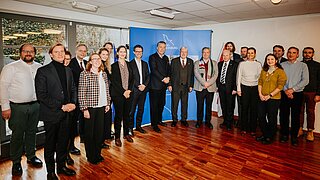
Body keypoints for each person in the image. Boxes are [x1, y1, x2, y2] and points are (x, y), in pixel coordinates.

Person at [0, 43, 43, 176]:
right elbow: (3, 87)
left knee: (32, 132)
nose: (28, 53)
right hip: (17, 107)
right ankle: (16, 162)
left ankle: (31, 156)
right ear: (20, 53)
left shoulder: (39, 67)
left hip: (35, 106)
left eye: (31, 51)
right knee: (17, 135)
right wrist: (5, 107)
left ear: (35, 53)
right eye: (25, 51)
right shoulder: (11, 67)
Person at [35, 43, 77, 179]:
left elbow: (73, 89)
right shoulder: (43, 71)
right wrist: (61, 106)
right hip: (52, 114)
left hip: (67, 114)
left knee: (64, 143)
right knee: (50, 144)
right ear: (51, 54)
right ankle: (50, 172)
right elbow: (41, 95)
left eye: (62, 51)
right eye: (56, 52)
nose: (60, 54)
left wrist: (73, 103)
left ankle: (61, 167)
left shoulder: (68, 70)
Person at [78, 53, 111, 164]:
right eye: (94, 59)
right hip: (90, 108)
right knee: (89, 134)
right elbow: (81, 92)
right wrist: (84, 109)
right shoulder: (85, 74)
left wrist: (107, 103)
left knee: (99, 133)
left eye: (98, 59)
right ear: (90, 61)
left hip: (101, 107)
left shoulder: (104, 74)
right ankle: (91, 156)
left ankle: (97, 154)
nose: (97, 61)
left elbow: (107, 90)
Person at [280, 47, 309, 146]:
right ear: (287, 54)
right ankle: (284, 135)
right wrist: (286, 90)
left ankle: (294, 137)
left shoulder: (303, 65)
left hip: (297, 94)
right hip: (284, 93)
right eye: (289, 52)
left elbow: (305, 80)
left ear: (297, 54)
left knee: (295, 116)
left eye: (294, 53)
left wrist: (292, 90)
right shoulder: (282, 65)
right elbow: (280, 80)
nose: (291, 54)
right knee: (284, 115)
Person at [256, 54, 287, 145]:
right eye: (268, 59)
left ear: (276, 60)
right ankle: (265, 134)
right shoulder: (264, 70)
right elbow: (260, 82)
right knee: (261, 116)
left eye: (272, 59)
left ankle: (270, 136)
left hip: (274, 98)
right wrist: (260, 94)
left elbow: (280, 86)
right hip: (262, 97)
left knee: (271, 118)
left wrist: (270, 95)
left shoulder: (280, 71)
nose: (270, 61)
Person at [110, 45, 134, 147]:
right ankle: (117, 137)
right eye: (121, 51)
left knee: (127, 115)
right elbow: (114, 82)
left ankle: (126, 134)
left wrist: (129, 90)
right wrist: (123, 92)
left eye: (124, 51)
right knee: (118, 116)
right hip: (118, 95)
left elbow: (133, 79)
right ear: (117, 53)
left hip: (128, 94)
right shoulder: (113, 66)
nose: (123, 53)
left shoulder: (129, 64)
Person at [237, 47, 262, 136]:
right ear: (246, 54)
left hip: (255, 88)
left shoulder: (258, 64)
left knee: (254, 109)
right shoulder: (242, 64)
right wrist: (238, 89)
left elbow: (260, 78)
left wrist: (260, 91)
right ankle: (244, 128)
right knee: (244, 109)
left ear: (255, 54)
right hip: (244, 88)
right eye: (248, 53)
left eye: (252, 53)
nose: (250, 55)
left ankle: (253, 129)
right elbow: (239, 77)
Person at [68, 43, 87, 153]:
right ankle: (71, 146)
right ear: (76, 51)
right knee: (72, 124)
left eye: (84, 51)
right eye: (80, 51)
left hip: (85, 98)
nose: (83, 53)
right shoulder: (71, 63)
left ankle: (84, 140)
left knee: (84, 122)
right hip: (74, 99)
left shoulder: (86, 63)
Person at [168, 47, 194, 127]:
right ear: (180, 52)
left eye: (185, 52)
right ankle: (174, 120)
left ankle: (184, 120)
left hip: (186, 87)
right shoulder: (174, 61)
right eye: (182, 51)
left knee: (184, 104)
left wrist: (191, 85)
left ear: (187, 53)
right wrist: (169, 84)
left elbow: (191, 75)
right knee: (174, 104)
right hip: (175, 87)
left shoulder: (190, 61)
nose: (183, 53)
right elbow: (170, 73)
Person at [298, 47, 320, 142]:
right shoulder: (299, 64)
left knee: (310, 111)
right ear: (302, 53)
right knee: (299, 111)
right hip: (300, 91)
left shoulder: (317, 65)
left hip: (312, 92)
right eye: (305, 52)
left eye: (309, 53)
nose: (307, 54)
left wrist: (318, 94)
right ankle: (299, 128)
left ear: (313, 54)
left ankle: (310, 131)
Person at [149, 41, 170, 132]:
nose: (162, 49)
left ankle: (159, 120)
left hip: (163, 86)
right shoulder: (152, 57)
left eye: (164, 47)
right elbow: (154, 70)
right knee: (154, 106)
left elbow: (168, 69)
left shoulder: (166, 58)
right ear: (157, 48)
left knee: (161, 104)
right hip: (154, 86)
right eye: (160, 47)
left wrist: (168, 78)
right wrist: (163, 78)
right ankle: (154, 124)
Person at [194, 47, 218, 129]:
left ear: (209, 53)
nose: (205, 54)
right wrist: (204, 83)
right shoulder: (197, 63)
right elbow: (196, 74)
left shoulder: (214, 63)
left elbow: (215, 75)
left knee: (209, 106)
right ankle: (199, 122)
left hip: (210, 88)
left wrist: (208, 83)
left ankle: (208, 122)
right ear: (202, 53)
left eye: (207, 52)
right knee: (199, 106)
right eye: (204, 52)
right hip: (200, 88)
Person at [129, 45, 150, 134]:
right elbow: (131, 78)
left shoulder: (145, 64)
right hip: (134, 90)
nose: (138, 53)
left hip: (143, 90)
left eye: (140, 51)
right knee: (132, 110)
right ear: (134, 52)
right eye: (137, 51)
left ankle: (138, 126)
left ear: (142, 53)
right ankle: (130, 128)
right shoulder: (130, 64)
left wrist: (144, 85)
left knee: (141, 109)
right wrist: (139, 86)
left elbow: (148, 76)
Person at [217, 50, 238, 130]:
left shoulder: (235, 64)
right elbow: (218, 76)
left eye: (227, 55)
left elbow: (237, 77)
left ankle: (229, 123)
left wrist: (235, 89)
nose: (225, 57)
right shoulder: (220, 64)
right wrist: (217, 86)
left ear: (230, 55)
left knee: (230, 106)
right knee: (223, 106)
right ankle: (225, 121)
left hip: (230, 89)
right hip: (221, 87)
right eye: (224, 55)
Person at [98, 48, 113, 148]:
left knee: (106, 119)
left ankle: (103, 139)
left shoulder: (108, 66)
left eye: (106, 54)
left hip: (107, 96)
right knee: (100, 121)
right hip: (100, 97)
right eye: (103, 54)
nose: (105, 56)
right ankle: (99, 141)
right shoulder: (98, 66)